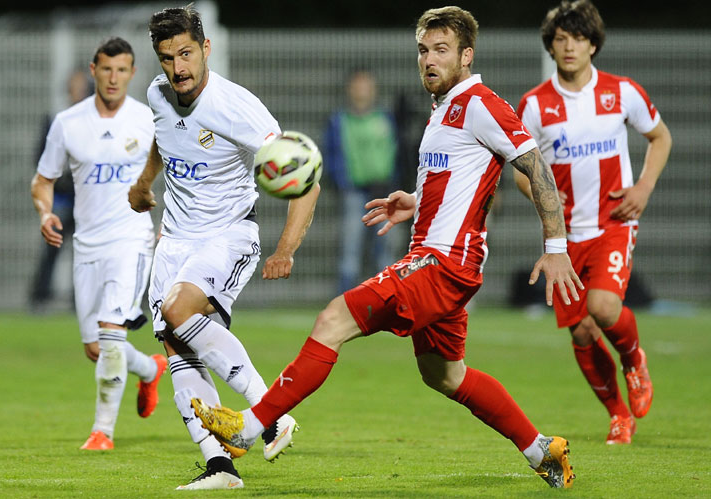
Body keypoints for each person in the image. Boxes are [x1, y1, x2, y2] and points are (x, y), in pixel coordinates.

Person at [192, 6, 583, 489]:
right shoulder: (444, 108)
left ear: (467, 55)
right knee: (445, 375)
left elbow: (535, 166)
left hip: (442, 263)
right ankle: (542, 449)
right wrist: (417, 201)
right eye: (423, 50)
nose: (429, 60)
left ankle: (249, 428)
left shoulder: (479, 104)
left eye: (441, 50)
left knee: (333, 318)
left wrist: (556, 246)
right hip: (438, 260)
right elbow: (465, 178)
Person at [127, 5, 321, 490]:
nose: (178, 68)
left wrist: (286, 248)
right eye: (168, 57)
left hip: (227, 235)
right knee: (176, 345)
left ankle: (271, 414)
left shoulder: (235, 107)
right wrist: (144, 182)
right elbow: (163, 137)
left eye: (186, 54)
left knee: (177, 310)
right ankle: (220, 466)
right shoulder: (157, 93)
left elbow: (306, 177)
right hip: (174, 239)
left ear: (206, 48)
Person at [513, 0, 671, 445]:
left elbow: (660, 137)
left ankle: (633, 359)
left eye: (578, 38)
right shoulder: (534, 105)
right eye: (560, 39)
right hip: (563, 237)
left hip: (612, 224)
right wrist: (540, 194)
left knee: (602, 308)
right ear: (550, 46)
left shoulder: (622, 92)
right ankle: (618, 415)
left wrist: (643, 188)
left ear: (593, 44)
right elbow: (520, 171)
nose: (569, 47)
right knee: (582, 333)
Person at [31, 37, 167, 451]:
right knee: (98, 348)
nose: (113, 78)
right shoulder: (68, 122)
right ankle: (150, 370)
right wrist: (45, 213)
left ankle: (102, 432)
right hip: (87, 246)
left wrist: (170, 223)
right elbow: (43, 180)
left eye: (121, 70)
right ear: (93, 71)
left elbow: (177, 173)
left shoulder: (147, 120)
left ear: (132, 73)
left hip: (132, 241)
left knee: (110, 333)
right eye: (106, 69)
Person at [324, 70, 399, 293]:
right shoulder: (339, 121)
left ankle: (387, 296)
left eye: (366, 85)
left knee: (385, 247)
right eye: (358, 86)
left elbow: (396, 151)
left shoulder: (385, 118)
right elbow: (331, 154)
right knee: (350, 248)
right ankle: (345, 298)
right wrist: (340, 181)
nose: (362, 91)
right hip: (353, 192)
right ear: (350, 89)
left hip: (384, 192)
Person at [29, 69, 92, 312]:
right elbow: (41, 157)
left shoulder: (94, 119)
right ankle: (39, 296)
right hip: (62, 196)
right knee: (52, 246)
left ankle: (80, 299)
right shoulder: (57, 118)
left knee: (84, 250)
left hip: (86, 196)